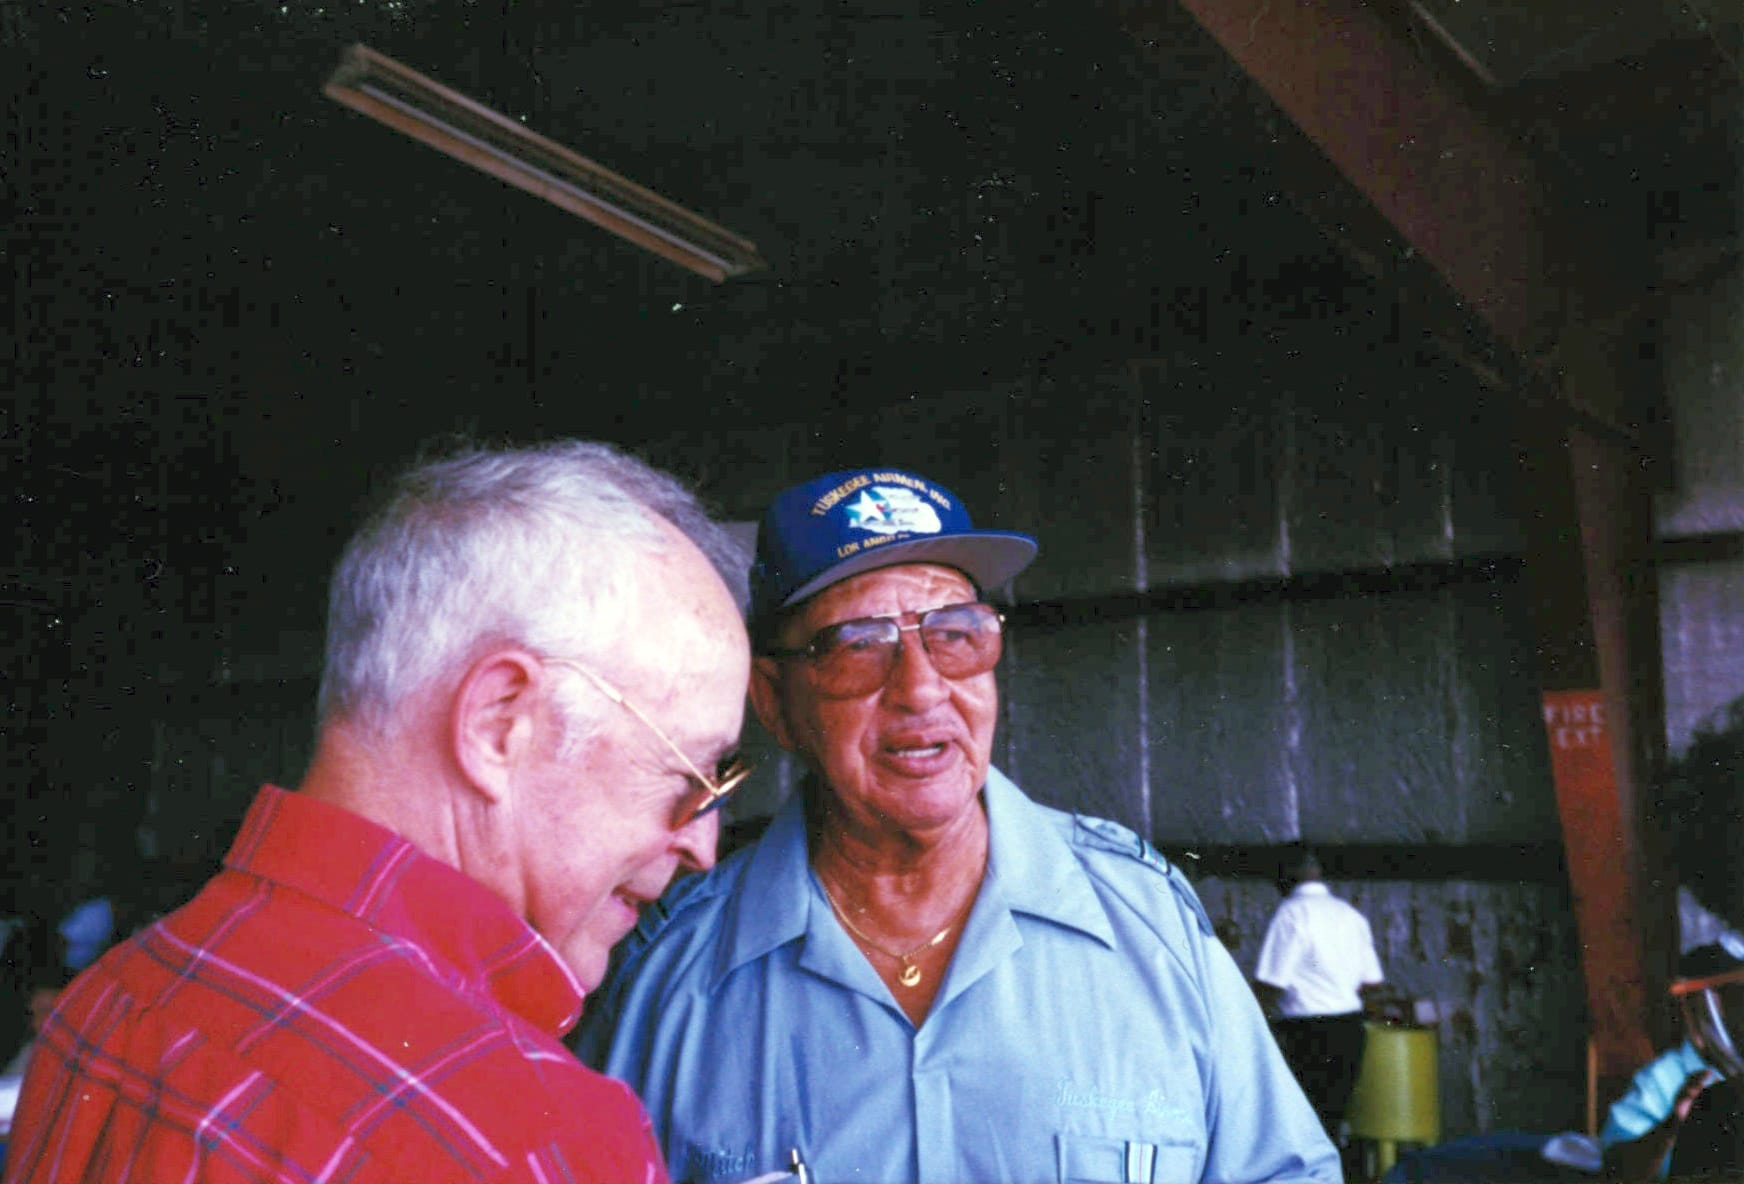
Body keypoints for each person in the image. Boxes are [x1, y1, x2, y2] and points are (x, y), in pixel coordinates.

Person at [3, 441, 752, 1184]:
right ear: (499, 722)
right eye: (688, 778)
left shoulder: (111, 999)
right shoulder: (530, 1143)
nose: (703, 845)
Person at [578, 465, 1339, 1184]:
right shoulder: (670, 974)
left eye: (956, 633)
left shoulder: (1148, 924)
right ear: (775, 701)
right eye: (858, 647)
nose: (921, 690)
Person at [1252, 846, 1388, 1142]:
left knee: (1302, 1125)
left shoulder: (1291, 914)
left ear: (1285, 876)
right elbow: (1372, 984)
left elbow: (1271, 985)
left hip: (1307, 1034)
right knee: (1331, 1122)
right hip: (1351, 1030)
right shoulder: (1350, 915)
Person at [1601, 939, 1744, 1179]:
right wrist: (1672, 1126)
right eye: (1730, 995)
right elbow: (1616, 1170)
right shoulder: (1661, 1079)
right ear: (1695, 1006)